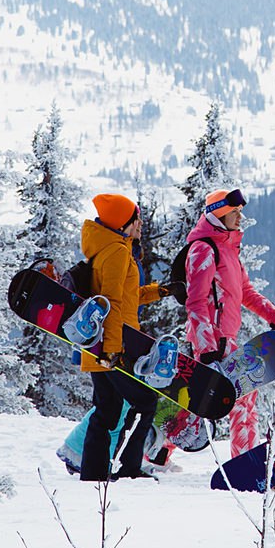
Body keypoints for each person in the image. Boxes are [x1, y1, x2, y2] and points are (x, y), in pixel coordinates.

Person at [184, 187, 275, 456]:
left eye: (241, 212)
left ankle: (157, 450)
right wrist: (206, 349)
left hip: (225, 338)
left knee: (204, 400)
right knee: (240, 395)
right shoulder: (203, 250)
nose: (240, 218)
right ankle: (244, 459)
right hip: (211, 341)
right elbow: (195, 303)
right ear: (219, 214)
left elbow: (246, 292)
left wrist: (272, 315)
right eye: (234, 212)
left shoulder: (228, 250)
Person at [78, 193, 166, 481]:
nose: (140, 224)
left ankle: (94, 474)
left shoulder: (109, 249)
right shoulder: (116, 252)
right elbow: (112, 304)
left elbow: (126, 298)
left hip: (100, 344)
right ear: (124, 222)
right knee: (145, 401)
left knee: (108, 410)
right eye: (135, 219)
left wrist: (159, 291)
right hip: (113, 345)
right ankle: (128, 468)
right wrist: (112, 352)